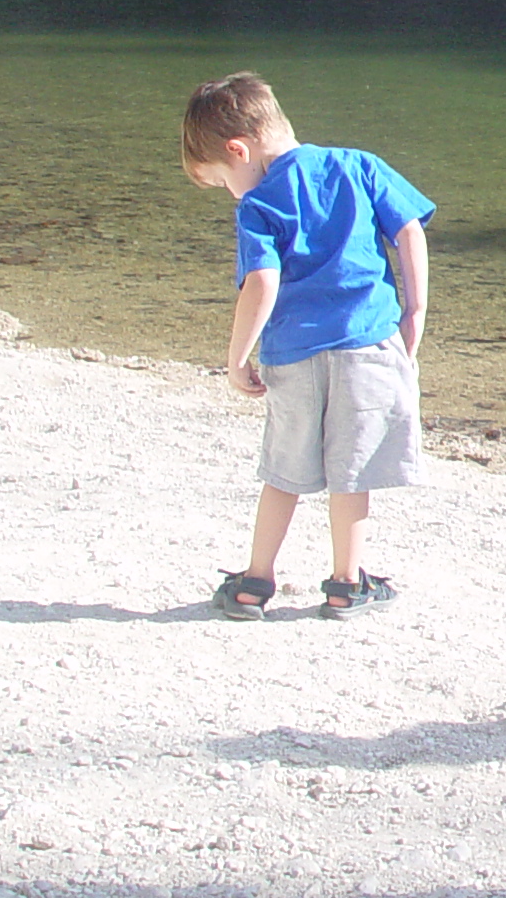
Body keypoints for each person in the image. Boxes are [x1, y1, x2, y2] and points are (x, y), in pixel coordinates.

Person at [182, 71, 434, 621]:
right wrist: (414, 310)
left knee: (284, 471)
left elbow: (263, 282)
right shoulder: (358, 165)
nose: (230, 191)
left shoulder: (258, 205)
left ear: (238, 149)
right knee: (353, 470)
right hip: (368, 343)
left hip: (293, 356)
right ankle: (346, 584)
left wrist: (235, 359)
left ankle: (254, 583)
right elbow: (410, 229)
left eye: (223, 178)